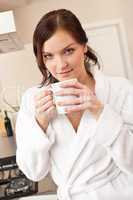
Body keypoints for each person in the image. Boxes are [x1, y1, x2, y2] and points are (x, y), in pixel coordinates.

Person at [16, 9, 133, 200]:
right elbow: (33, 173)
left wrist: (101, 111)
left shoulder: (120, 90)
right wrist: (40, 124)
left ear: (84, 46)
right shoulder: (32, 100)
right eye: (49, 56)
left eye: (68, 51)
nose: (60, 64)